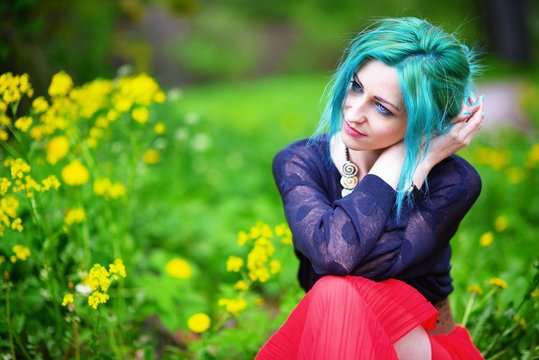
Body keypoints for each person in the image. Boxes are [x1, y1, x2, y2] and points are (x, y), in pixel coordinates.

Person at [256, 17, 485, 359]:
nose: (354, 112)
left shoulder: (453, 182)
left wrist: (412, 164)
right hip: (334, 339)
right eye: (356, 86)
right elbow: (334, 256)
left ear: (423, 122)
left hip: (420, 345)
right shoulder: (300, 162)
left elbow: (357, 270)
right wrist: (401, 161)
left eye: (382, 108)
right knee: (335, 292)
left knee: (336, 289)